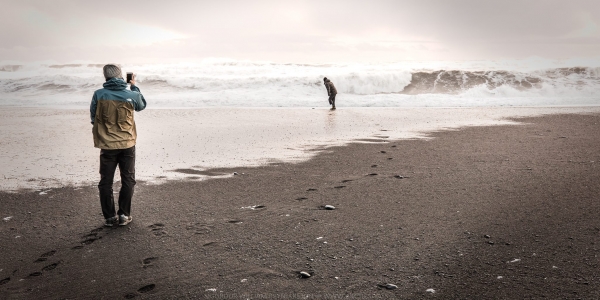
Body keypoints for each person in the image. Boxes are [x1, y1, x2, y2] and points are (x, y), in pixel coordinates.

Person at [90, 64, 147, 227]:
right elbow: (141, 106)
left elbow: (93, 118)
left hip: (107, 145)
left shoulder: (99, 94)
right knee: (128, 178)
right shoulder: (131, 94)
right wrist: (134, 86)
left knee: (106, 181)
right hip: (127, 143)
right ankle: (124, 215)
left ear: (105, 77)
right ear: (122, 76)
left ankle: (109, 217)